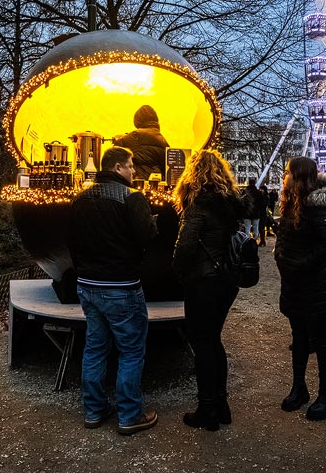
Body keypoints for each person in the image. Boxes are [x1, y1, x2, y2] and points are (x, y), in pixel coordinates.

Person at [67, 146, 159, 435]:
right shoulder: (132, 198)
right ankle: (129, 415)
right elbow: (147, 236)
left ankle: (94, 411)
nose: (134, 172)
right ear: (118, 167)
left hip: (87, 286)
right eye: (131, 166)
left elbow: (70, 241)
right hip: (121, 286)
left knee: (95, 347)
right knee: (131, 351)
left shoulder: (80, 199)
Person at [171, 149, 246, 431]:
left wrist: (179, 273)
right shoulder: (229, 204)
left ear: (193, 173)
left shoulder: (197, 205)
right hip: (226, 281)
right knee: (214, 340)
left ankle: (207, 410)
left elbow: (186, 247)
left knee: (202, 343)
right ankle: (222, 405)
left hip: (203, 281)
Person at [275, 156, 326, 422]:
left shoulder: (316, 207)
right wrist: (280, 256)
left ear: (299, 176)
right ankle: (299, 387)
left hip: (313, 285)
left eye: (288, 172)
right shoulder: (291, 203)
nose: (284, 175)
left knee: (320, 338)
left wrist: (301, 263)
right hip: (294, 283)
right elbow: (282, 235)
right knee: (298, 337)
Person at [113, 105, 170, 180]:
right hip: (155, 185)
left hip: (136, 184)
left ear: (137, 121)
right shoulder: (163, 140)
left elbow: (114, 155)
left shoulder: (134, 136)